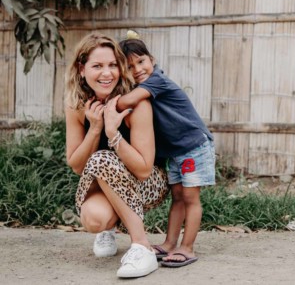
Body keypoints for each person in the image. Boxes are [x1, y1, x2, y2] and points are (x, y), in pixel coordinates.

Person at [64, 32, 169, 278]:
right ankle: (108, 229)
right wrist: (96, 128)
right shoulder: (76, 106)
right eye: (97, 66)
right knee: (94, 219)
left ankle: (142, 247)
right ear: (82, 68)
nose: (107, 73)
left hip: (149, 183)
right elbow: (77, 166)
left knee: (101, 158)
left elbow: (144, 170)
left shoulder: (136, 103)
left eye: (113, 65)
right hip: (105, 182)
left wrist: (113, 133)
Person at [118, 32, 216, 268]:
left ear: (152, 59)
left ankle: (188, 247)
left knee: (191, 197)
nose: (138, 69)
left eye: (141, 61)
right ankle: (171, 243)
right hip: (176, 151)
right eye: (129, 67)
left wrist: (109, 105)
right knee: (178, 197)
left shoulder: (156, 81)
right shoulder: (143, 85)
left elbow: (125, 102)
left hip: (193, 146)